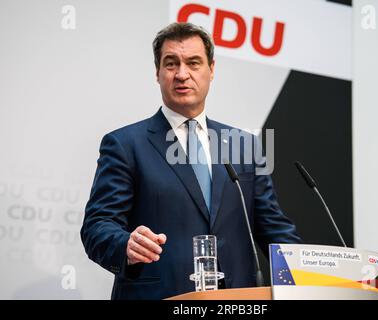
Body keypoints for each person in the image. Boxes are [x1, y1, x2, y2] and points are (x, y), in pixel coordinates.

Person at [80, 22, 301, 300]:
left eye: (193, 63)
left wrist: (312, 276)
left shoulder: (244, 145)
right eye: (171, 64)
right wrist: (126, 244)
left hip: (237, 299)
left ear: (211, 69)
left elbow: (273, 229)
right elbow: (97, 226)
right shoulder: (125, 144)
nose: (182, 74)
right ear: (157, 73)